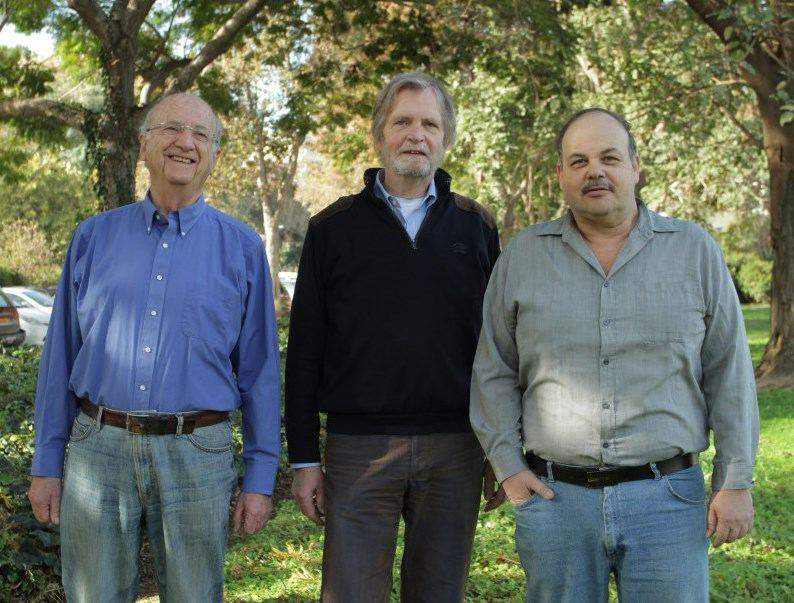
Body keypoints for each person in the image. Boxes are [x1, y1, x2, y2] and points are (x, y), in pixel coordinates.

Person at [470, 107, 759, 602]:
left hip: (667, 499)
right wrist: (509, 468)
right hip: (555, 502)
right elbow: (493, 368)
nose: (595, 171)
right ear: (561, 175)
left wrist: (735, 481)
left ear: (635, 166)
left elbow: (728, 371)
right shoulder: (522, 257)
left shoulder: (694, 250)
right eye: (578, 161)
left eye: (609, 157)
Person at [27, 93, 281, 602]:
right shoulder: (92, 238)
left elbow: (259, 372)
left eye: (201, 135)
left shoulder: (243, 248)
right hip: (98, 448)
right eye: (170, 129)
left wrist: (259, 475)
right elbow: (60, 359)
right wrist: (46, 462)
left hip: (199, 452)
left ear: (214, 155)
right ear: (144, 145)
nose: (185, 142)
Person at [285, 72, 504, 602]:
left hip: (457, 447)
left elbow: (500, 349)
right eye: (402, 121)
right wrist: (305, 459)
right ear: (380, 134)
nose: (416, 134)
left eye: (430, 124)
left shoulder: (476, 227)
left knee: (438, 594)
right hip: (359, 449)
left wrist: (503, 449)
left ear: (445, 138)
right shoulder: (332, 228)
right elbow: (305, 350)